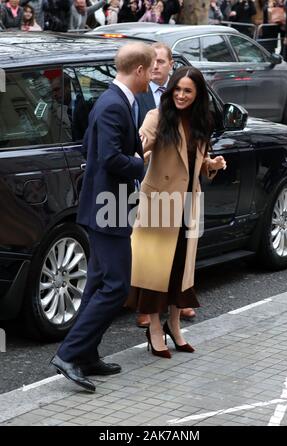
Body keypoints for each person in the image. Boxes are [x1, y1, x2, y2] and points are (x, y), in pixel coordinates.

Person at [50, 42, 156, 392]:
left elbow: (89, 148)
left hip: (108, 204)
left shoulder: (113, 101)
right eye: (151, 68)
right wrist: (140, 164)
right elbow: (111, 158)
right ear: (139, 70)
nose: (153, 75)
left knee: (97, 284)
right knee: (116, 286)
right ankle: (68, 354)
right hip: (107, 208)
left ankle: (88, 354)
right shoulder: (113, 105)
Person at [127, 66, 226, 358]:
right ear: (170, 91)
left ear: (197, 95)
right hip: (159, 204)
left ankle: (174, 324)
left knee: (180, 269)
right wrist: (136, 154)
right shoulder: (157, 118)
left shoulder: (201, 121)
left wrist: (211, 165)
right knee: (157, 272)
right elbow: (138, 149)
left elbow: (195, 160)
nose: (181, 96)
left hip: (187, 204)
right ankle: (155, 329)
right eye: (178, 90)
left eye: (188, 91)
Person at [135, 42, 197, 328]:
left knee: (180, 248)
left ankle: (178, 300)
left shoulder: (189, 105)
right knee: (150, 251)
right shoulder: (141, 95)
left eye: (161, 61)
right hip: (148, 181)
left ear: (171, 64)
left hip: (181, 187)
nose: (156, 66)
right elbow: (139, 143)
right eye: (152, 62)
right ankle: (146, 308)